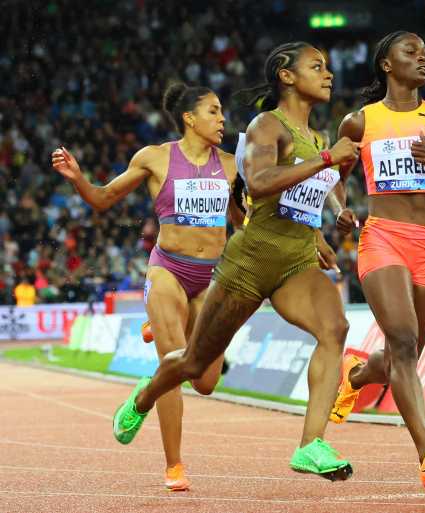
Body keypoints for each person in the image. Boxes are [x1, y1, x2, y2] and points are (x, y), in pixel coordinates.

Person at [111, 42, 360, 481]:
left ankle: (310, 444)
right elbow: (261, 183)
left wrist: (330, 218)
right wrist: (327, 159)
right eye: (316, 67)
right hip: (249, 262)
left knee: (335, 328)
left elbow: (311, 190)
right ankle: (143, 400)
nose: (329, 74)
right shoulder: (268, 125)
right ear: (286, 74)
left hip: (295, 262)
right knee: (192, 366)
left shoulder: (319, 136)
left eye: (327, 66)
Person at [52, 83, 242, 490]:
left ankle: (144, 389)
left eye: (221, 111)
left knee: (206, 382)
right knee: (174, 364)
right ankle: (174, 466)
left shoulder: (231, 165)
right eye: (213, 111)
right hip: (169, 271)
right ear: (190, 118)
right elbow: (103, 199)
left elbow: (245, 219)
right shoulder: (155, 158)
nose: (222, 118)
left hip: (209, 277)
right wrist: (78, 178)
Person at [329, 31, 425, 488]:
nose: (422, 58)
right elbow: (334, 175)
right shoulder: (360, 122)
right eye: (410, 52)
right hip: (382, 238)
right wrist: (340, 208)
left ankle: (355, 375)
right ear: (386, 65)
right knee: (403, 345)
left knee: (406, 349)